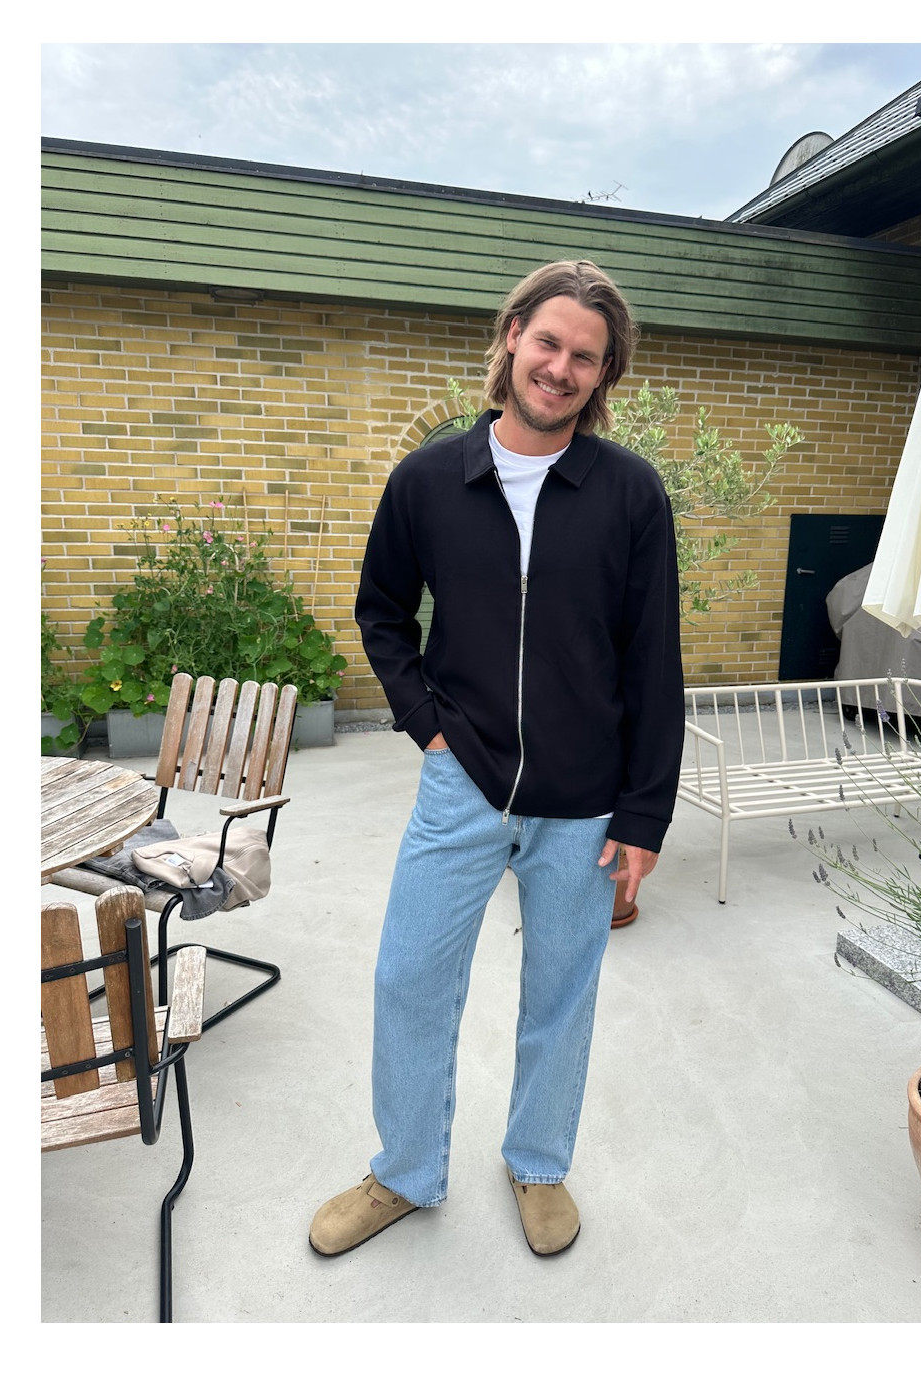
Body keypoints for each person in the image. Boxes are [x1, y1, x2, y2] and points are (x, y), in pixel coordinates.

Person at [309, 259, 685, 1260]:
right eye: (548, 342)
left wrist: (644, 814)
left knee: (561, 995)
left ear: (603, 376)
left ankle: (538, 1164)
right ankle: (403, 1172)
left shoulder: (630, 494)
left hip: (585, 802)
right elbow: (381, 614)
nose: (560, 368)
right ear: (513, 336)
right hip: (461, 784)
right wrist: (426, 722)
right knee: (409, 979)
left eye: (585, 357)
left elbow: (653, 660)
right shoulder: (429, 480)